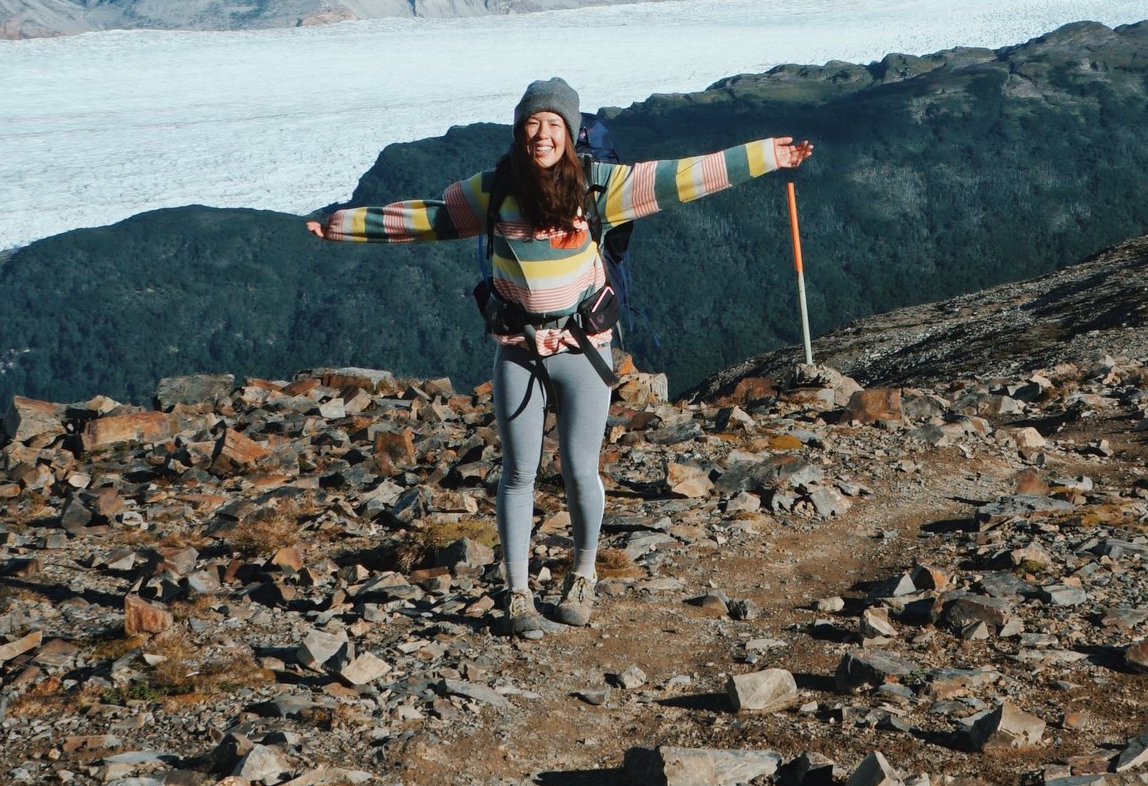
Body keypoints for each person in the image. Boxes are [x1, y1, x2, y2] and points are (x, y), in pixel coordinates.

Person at [309, 80, 813, 633]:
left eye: (554, 125)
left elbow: (685, 177)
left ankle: (584, 577)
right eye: (533, 123)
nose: (542, 134)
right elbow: (422, 218)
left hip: (583, 350)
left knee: (578, 470)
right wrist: (339, 226)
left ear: (571, 134)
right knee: (518, 473)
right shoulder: (493, 191)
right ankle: (518, 595)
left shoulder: (602, 189)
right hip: (519, 352)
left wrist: (770, 156)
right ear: (519, 129)